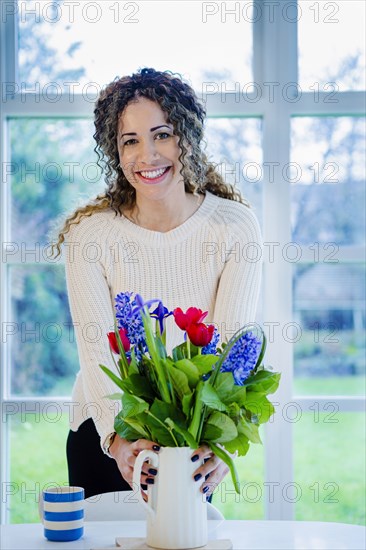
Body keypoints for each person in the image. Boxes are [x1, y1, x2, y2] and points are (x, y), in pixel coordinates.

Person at [50, 67, 263, 500]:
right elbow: (95, 351)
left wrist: (220, 444)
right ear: (116, 151)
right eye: (130, 140)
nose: (147, 155)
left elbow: (233, 350)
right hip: (107, 433)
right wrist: (118, 442)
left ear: (188, 137)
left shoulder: (234, 226)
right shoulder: (91, 235)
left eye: (162, 134)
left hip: (193, 438)